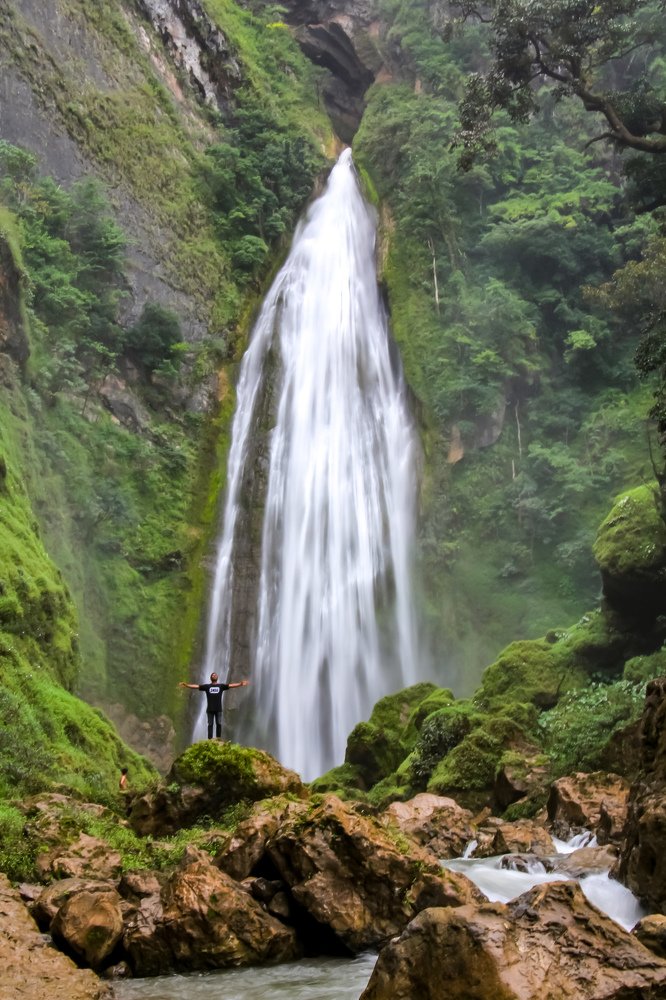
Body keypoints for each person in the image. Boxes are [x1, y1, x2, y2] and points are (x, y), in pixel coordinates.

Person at [179, 672, 250, 739]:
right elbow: (196, 686)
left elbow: (231, 685)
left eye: (215, 675)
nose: (214, 675)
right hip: (209, 709)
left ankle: (218, 739)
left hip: (218, 709)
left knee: (219, 724)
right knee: (210, 724)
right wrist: (186, 685)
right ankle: (210, 739)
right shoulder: (207, 686)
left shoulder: (221, 686)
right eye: (213, 675)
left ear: (217, 677)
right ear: (211, 678)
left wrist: (240, 684)